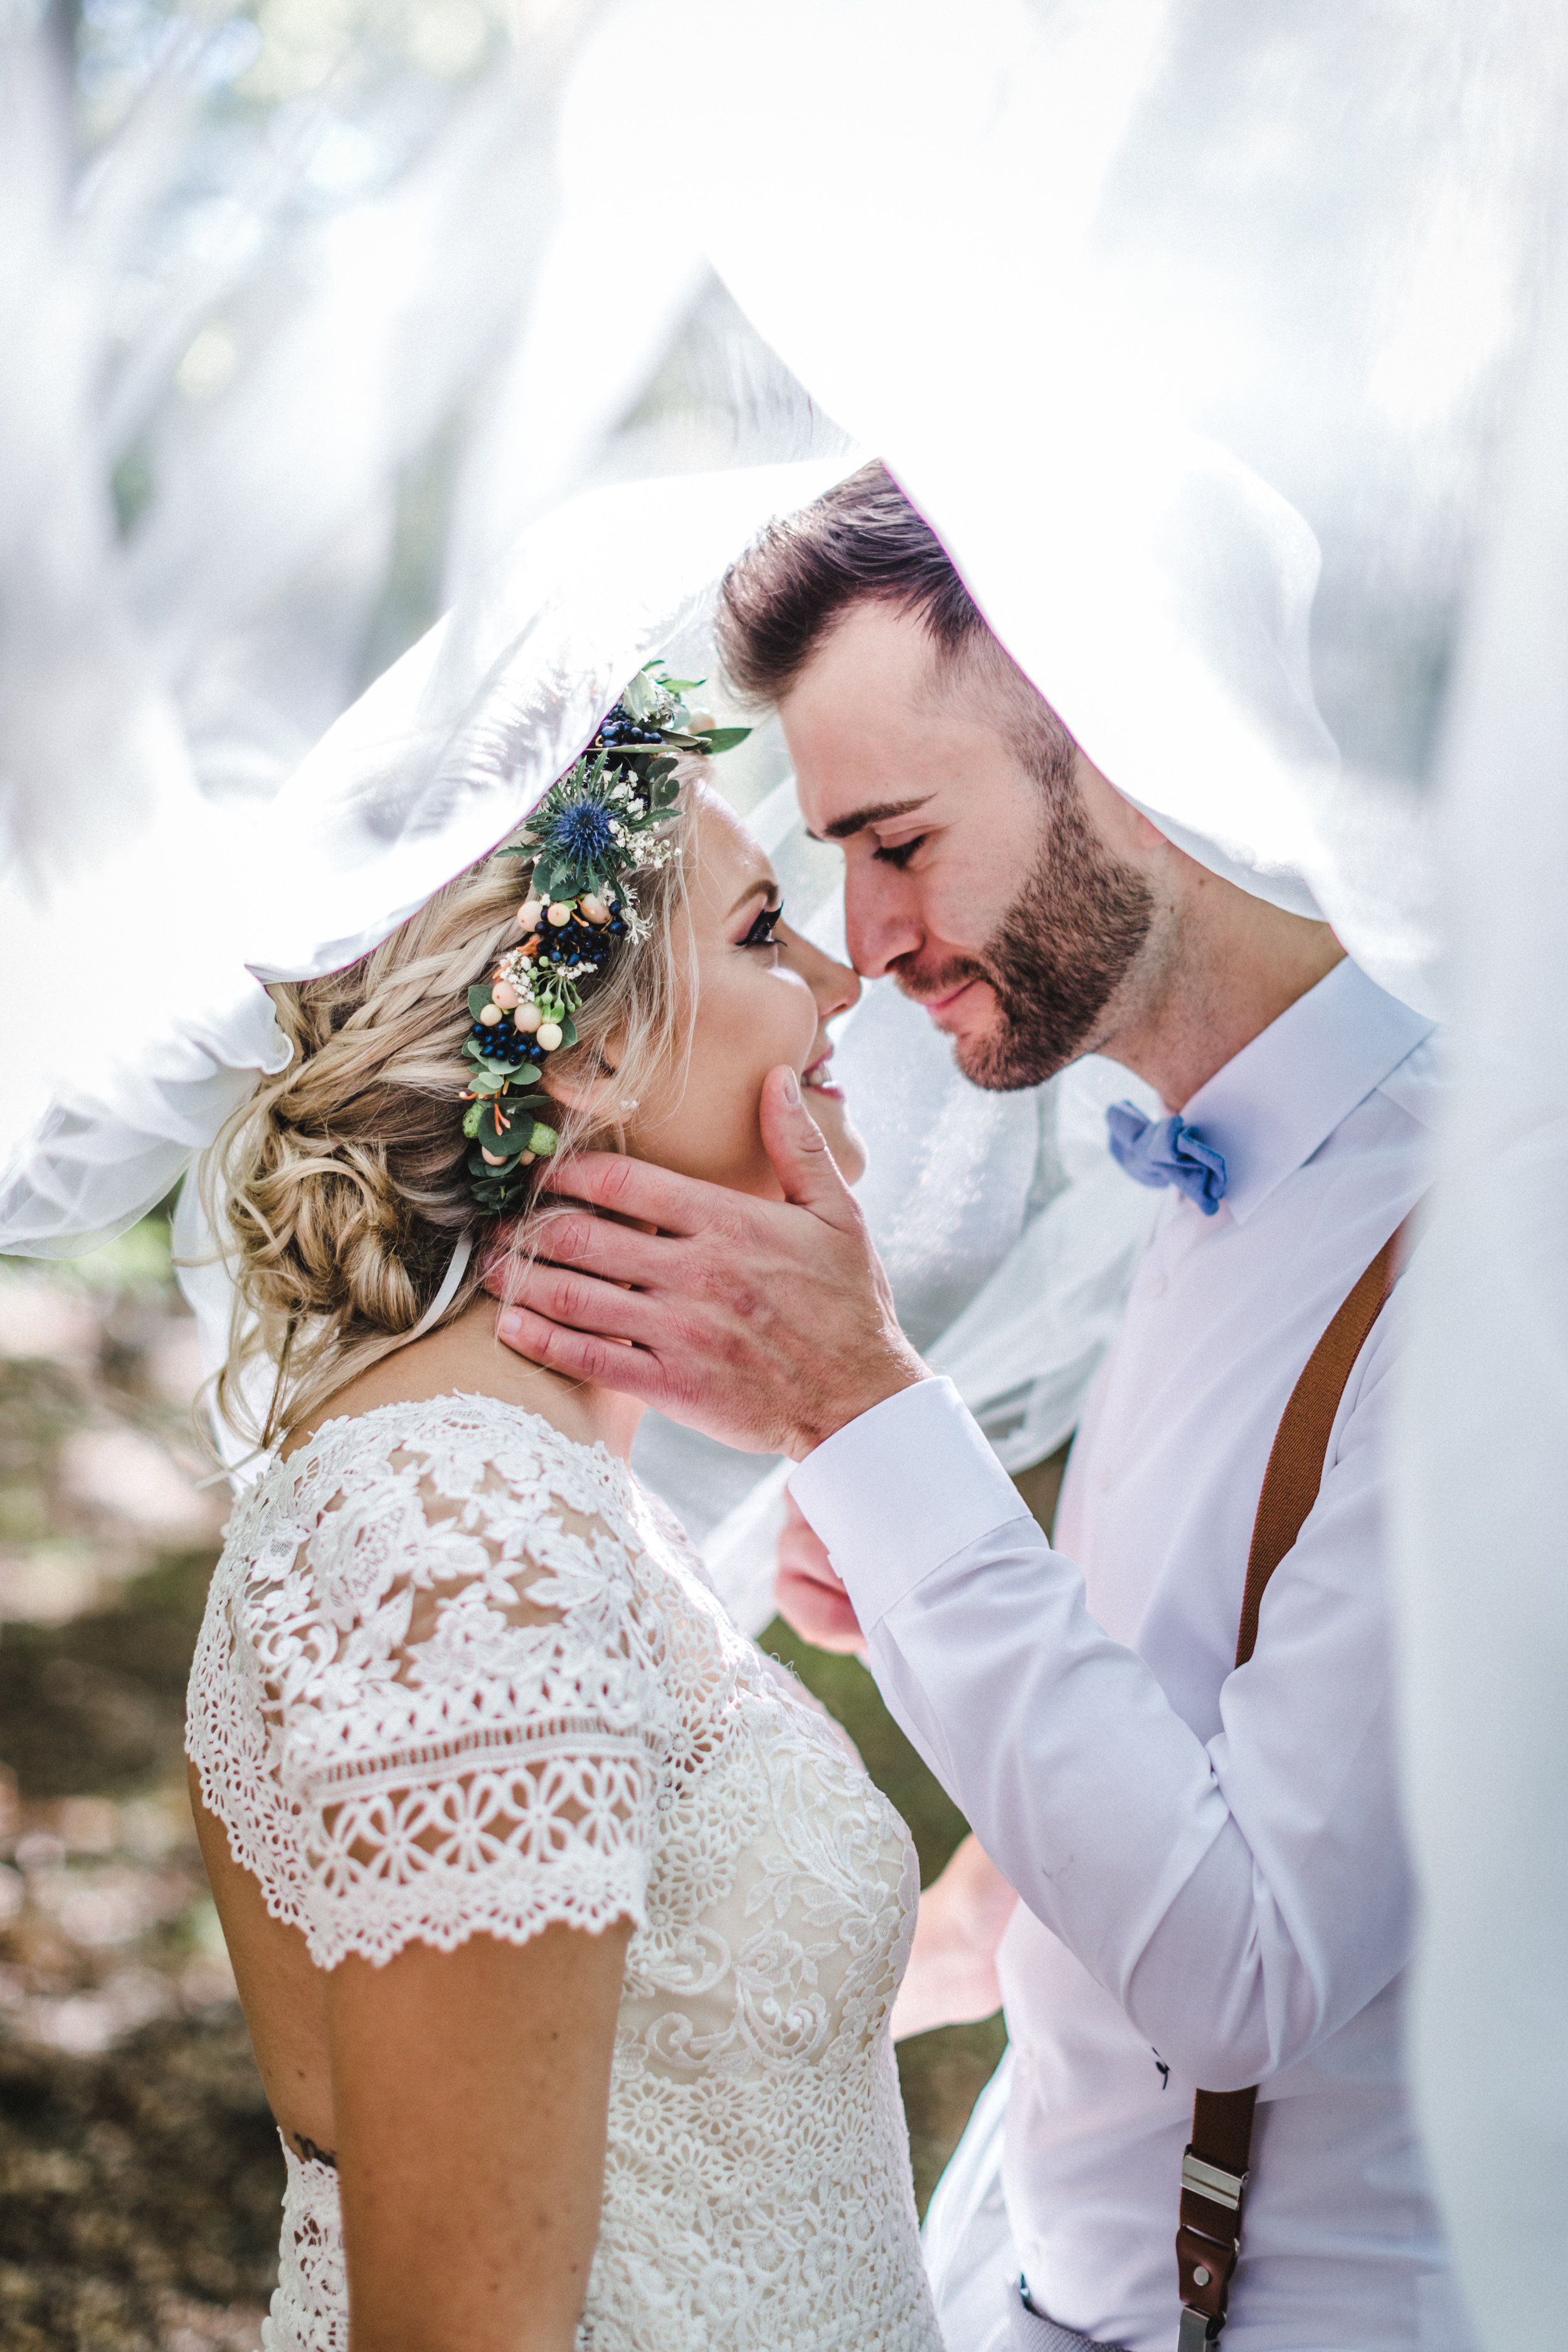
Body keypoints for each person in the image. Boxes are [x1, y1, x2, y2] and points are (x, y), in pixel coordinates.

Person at [485, 464, 1475, 2352]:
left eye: (895, 839)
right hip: (1029, 2266)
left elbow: (1248, 1968)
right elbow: (1155, 1792)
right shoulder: (1191, 1185)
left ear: (1120, 745)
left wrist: (865, 1414)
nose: (860, 941)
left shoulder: (1490, 1254)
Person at [183, 692, 945, 2352]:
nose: (836, 983)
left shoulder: (537, 1498)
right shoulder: (460, 1542)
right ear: (589, 1050)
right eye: (761, 935)